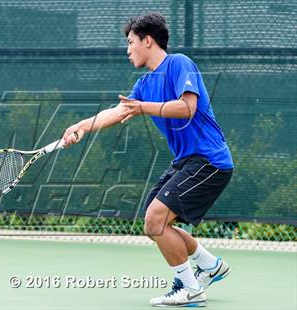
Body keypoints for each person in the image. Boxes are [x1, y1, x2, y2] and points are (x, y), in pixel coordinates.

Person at [62, 12, 233, 307]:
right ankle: (210, 266)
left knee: (156, 220)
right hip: (187, 161)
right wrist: (82, 126)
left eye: (131, 42)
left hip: (208, 161)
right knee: (154, 224)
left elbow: (186, 107)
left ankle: (190, 290)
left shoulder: (179, 64)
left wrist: (143, 108)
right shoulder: (143, 84)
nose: (128, 50)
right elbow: (118, 112)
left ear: (148, 41)